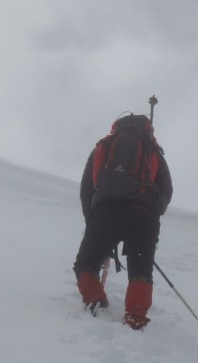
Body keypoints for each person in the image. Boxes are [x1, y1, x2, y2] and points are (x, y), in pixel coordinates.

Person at [73, 112, 173, 330]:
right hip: (144, 216)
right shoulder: (152, 149)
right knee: (140, 270)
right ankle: (135, 318)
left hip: (106, 212)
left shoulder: (105, 146)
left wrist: (92, 221)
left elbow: (86, 189)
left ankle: (95, 302)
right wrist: (153, 210)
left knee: (86, 264)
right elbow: (167, 190)